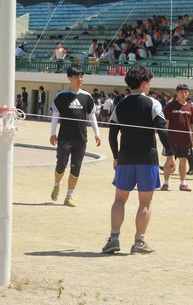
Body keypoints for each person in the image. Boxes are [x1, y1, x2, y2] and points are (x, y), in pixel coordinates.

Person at [102, 66, 176, 255]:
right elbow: (162, 130)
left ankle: (114, 238)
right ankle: (139, 242)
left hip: (126, 157)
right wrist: (170, 154)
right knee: (145, 202)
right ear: (144, 83)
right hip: (147, 158)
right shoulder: (153, 104)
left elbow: (112, 134)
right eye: (149, 82)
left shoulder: (120, 105)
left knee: (119, 200)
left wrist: (116, 156)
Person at [49, 66, 101, 207]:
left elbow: (91, 116)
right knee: (61, 165)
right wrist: (53, 133)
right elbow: (55, 115)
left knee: (76, 167)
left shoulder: (87, 96)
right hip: (65, 137)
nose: (80, 79)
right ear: (70, 78)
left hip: (80, 138)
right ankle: (57, 185)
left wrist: (97, 133)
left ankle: (69, 196)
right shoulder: (62, 95)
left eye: (82, 77)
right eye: (77, 77)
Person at [160, 84, 193, 192]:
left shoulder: (190, 107)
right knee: (169, 162)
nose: (184, 94)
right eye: (181, 92)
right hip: (172, 140)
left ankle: (183, 183)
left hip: (185, 140)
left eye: (186, 92)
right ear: (177, 93)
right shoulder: (170, 106)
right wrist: (165, 138)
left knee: (183, 161)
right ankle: (166, 183)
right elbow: (166, 123)